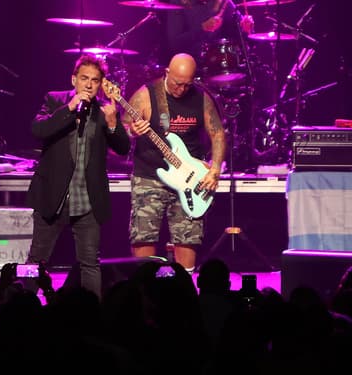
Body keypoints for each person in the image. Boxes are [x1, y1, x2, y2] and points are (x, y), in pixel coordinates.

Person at [25, 53, 130, 298]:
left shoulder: (104, 111)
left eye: (95, 80)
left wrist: (114, 124)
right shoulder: (55, 100)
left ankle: (91, 316)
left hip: (87, 202)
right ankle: (23, 306)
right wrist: (68, 109)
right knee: (37, 259)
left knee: (90, 263)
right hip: (53, 196)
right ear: (74, 80)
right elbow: (37, 129)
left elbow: (124, 149)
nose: (89, 84)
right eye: (84, 78)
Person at [125, 52, 226, 274]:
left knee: (188, 237)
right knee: (143, 235)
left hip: (190, 178)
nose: (181, 89)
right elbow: (122, 130)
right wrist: (132, 130)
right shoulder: (146, 95)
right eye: (177, 83)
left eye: (187, 85)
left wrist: (215, 169)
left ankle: (185, 291)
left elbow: (218, 133)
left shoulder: (200, 98)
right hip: (150, 176)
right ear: (167, 73)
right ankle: (144, 289)